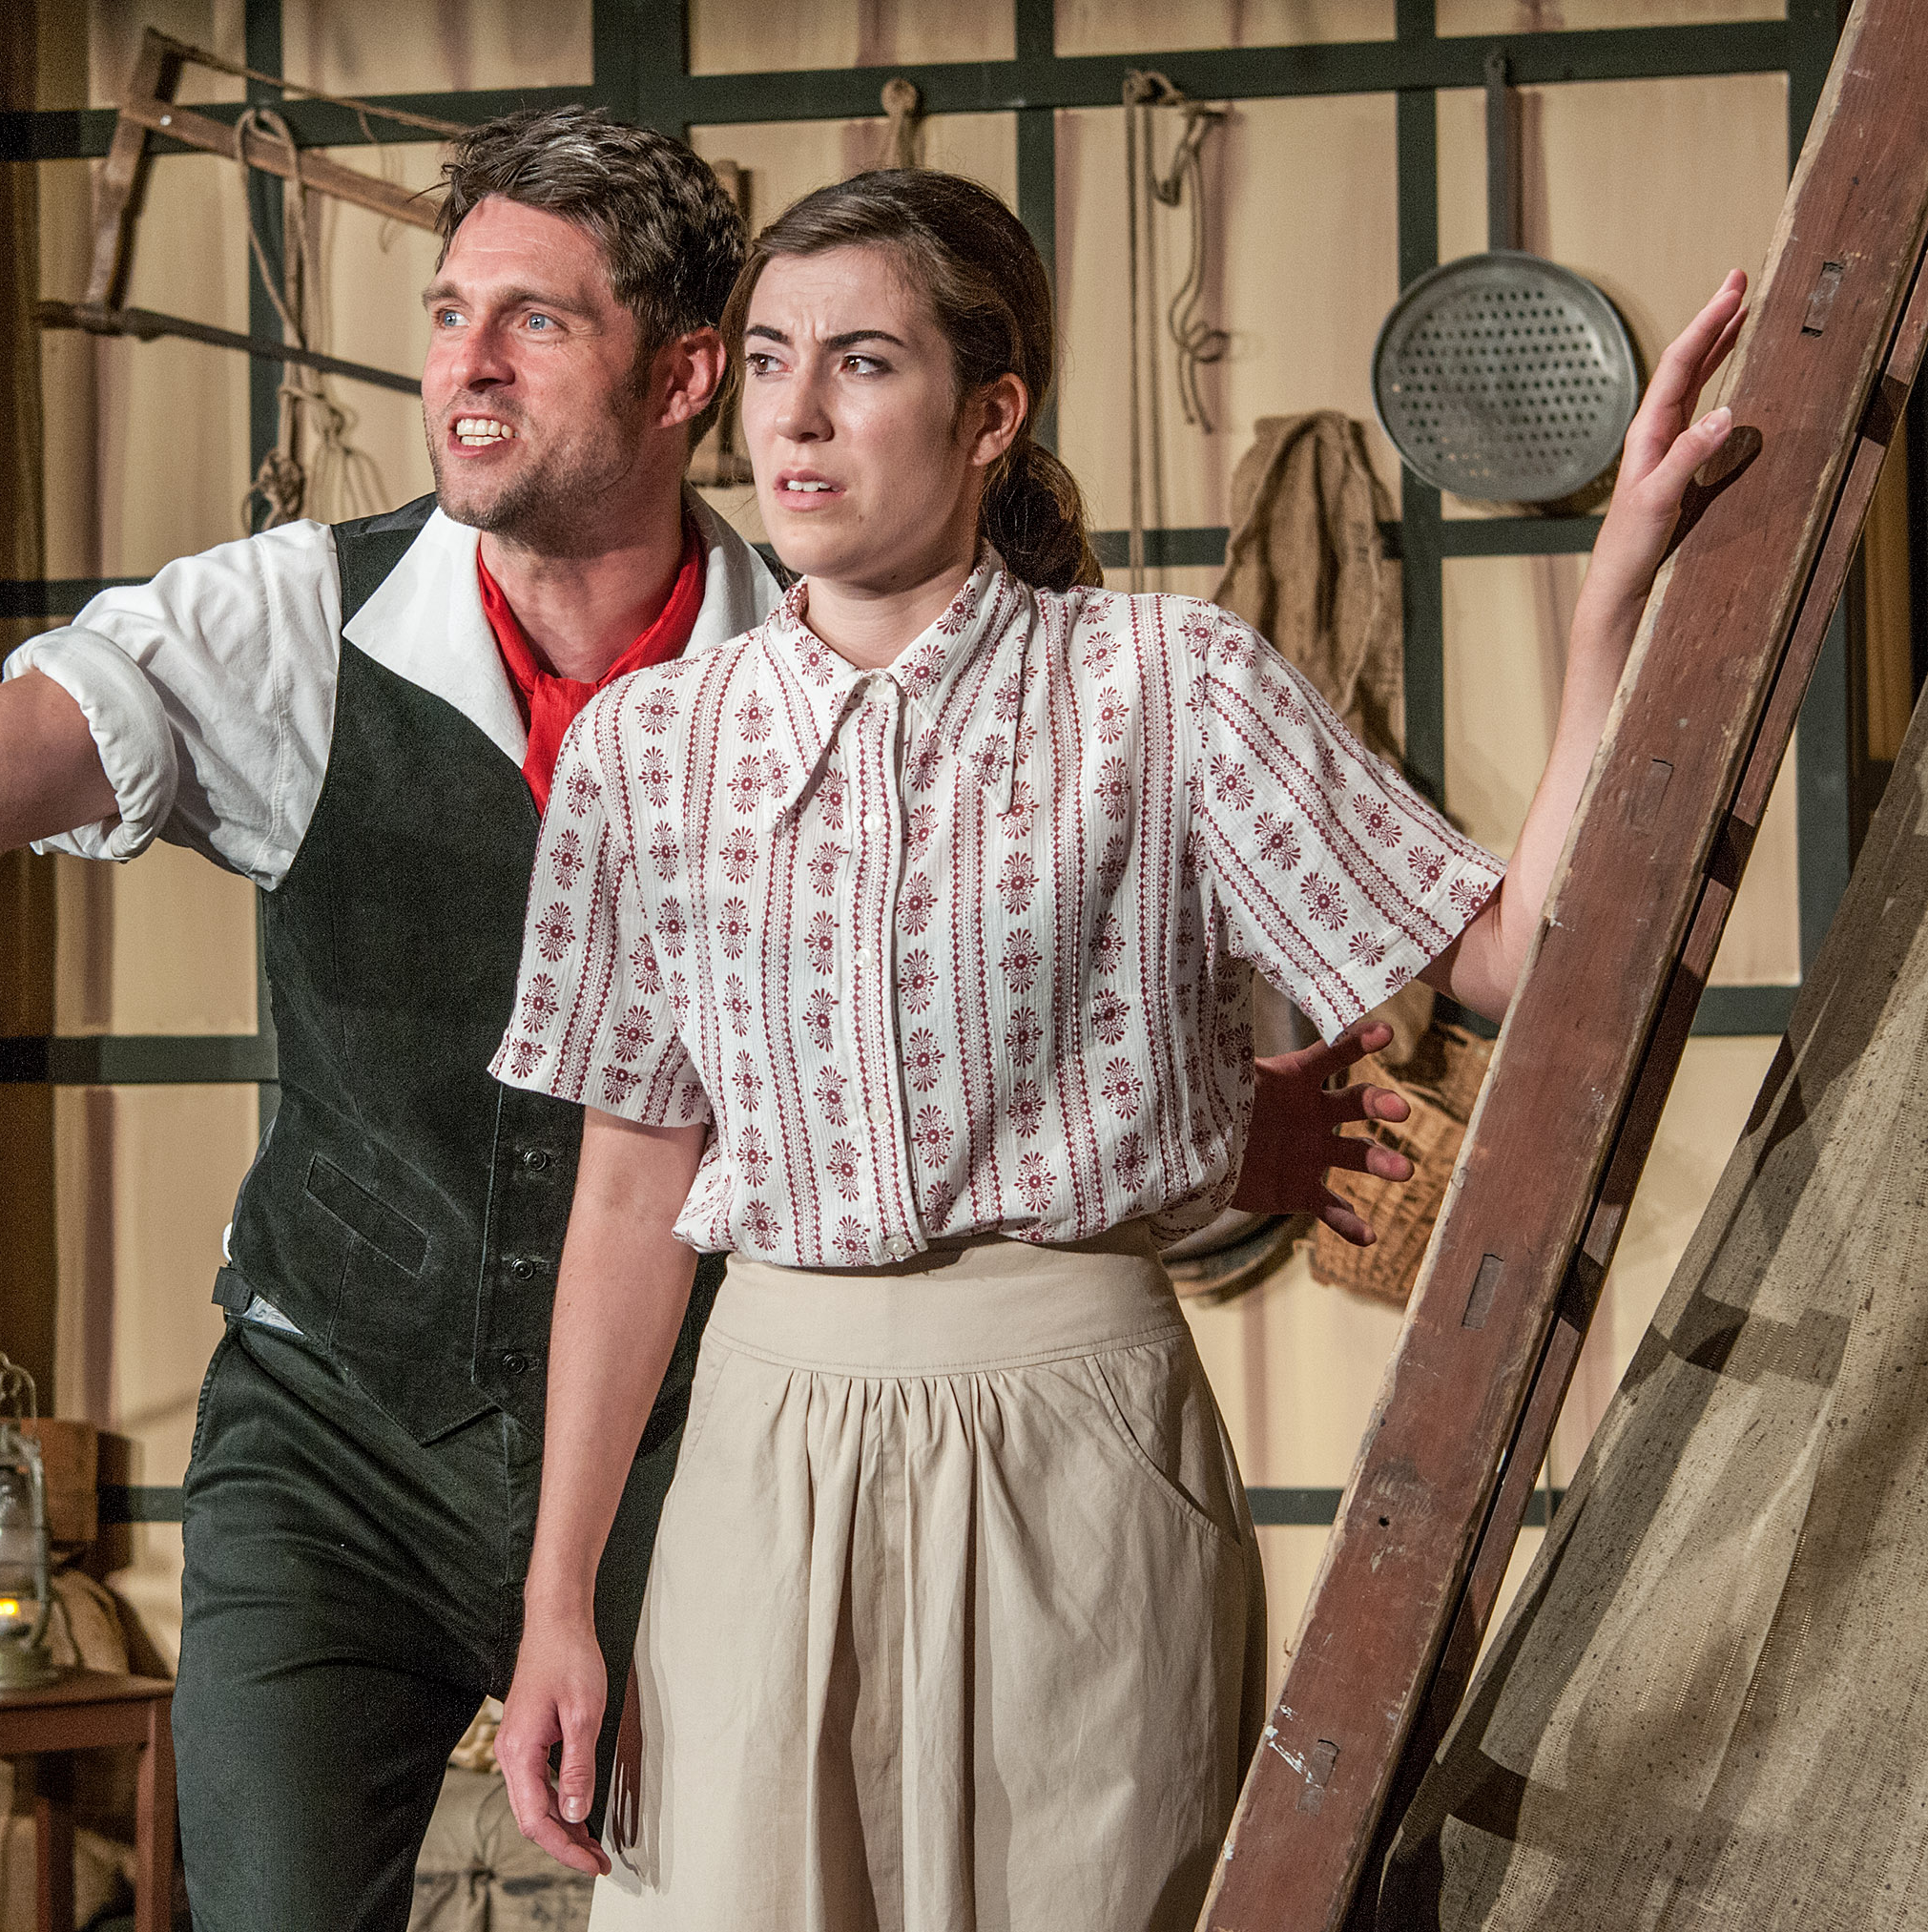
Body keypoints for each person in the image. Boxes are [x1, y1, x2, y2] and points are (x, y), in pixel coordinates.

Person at [0, 114, 1421, 1932]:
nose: (462, 368)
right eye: (445, 313)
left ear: (686, 375)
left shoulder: (834, 648)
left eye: (533, 322)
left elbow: (970, 1025)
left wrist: (1202, 1125)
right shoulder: (280, 624)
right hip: (335, 1432)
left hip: (694, 1446)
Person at [485, 169, 1745, 1931]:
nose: (794, 413)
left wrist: (1610, 604)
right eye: (768, 359)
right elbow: (627, 1200)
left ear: (990, 412)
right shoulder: (646, 747)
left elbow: (1507, 959)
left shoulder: (1167, 686)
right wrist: (556, 1604)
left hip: (1083, 1442)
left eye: (861, 362)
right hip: (759, 1452)